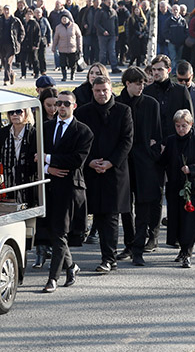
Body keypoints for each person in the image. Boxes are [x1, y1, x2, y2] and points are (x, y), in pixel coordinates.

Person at [74, 76, 134, 274]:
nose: (101, 94)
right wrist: (89, 161)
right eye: (98, 90)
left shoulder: (123, 111)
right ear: (92, 90)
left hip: (114, 171)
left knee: (110, 216)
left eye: (105, 90)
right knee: (97, 214)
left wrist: (110, 162)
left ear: (111, 90)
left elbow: (127, 141)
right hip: (91, 170)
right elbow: (79, 140)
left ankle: (109, 259)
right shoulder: (83, 112)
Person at [40, 90, 93, 293]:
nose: (61, 107)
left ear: (74, 106)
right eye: (58, 103)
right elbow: (34, 155)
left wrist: (48, 158)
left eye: (66, 104)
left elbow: (76, 161)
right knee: (54, 232)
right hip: (49, 184)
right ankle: (71, 266)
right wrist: (48, 167)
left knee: (60, 231)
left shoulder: (84, 131)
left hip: (70, 187)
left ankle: (52, 278)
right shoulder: (46, 127)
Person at [116, 67, 163, 266]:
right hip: (124, 163)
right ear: (128, 83)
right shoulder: (117, 104)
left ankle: (138, 249)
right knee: (125, 207)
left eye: (143, 83)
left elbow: (157, 134)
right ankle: (129, 243)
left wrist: (152, 153)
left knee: (143, 206)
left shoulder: (151, 104)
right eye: (138, 83)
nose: (141, 86)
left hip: (145, 162)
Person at [0, 106, 44, 265]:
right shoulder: (3, 133)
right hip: (6, 183)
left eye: (19, 111)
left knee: (27, 222)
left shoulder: (33, 133)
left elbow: (37, 158)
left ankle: (33, 254)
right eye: (11, 112)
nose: (15, 115)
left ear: (26, 113)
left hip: (27, 183)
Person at [162, 109, 195, 268]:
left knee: (190, 220)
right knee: (176, 218)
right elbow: (163, 161)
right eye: (177, 126)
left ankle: (188, 252)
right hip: (175, 185)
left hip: (193, 186)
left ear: (191, 124)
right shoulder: (171, 141)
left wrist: (192, 169)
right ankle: (181, 249)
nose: (180, 129)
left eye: (184, 126)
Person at [0, 5, 24, 86]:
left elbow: (22, 32)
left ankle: (6, 79)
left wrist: (18, 41)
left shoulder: (15, 20)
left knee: (8, 62)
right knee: (3, 62)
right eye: (5, 10)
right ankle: (12, 74)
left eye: (7, 10)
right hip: (1, 43)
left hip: (11, 44)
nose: (6, 11)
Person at [175, 60, 195, 135]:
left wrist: (186, 126)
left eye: (187, 80)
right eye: (180, 80)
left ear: (192, 76)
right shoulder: (172, 90)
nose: (183, 83)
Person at [51, 12, 82, 82]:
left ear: (69, 19)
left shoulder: (74, 26)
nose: (64, 20)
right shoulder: (58, 27)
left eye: (65, 18)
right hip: (62, 49)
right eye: (63, 18)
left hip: (72, 48)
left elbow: (79, 37)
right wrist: (53, 47)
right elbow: (55, 38)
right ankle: (64, 76)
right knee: (63, 64)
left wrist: (79, 48)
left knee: (73, 63)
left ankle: (72, 75)